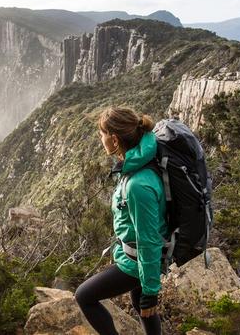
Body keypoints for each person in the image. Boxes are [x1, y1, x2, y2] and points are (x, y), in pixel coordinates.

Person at [75, 106, 166, 335]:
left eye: (102, 133)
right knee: (142, 306)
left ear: (114, 139)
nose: (100, 138)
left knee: (84, 296)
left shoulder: (138, 184)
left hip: (137, 262)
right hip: (134, 256)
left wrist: (151, 290)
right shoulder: (138, 160)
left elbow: (148, 240)